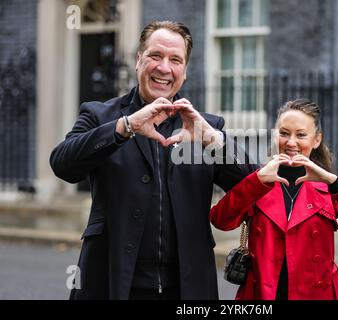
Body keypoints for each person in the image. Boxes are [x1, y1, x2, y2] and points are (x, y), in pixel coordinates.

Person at [50, 20, 257, 300]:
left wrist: (213, 139)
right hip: (112, 282)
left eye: (175, 60)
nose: (164, 68)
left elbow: (253, 185)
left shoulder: (204, 127)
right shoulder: (101, 116)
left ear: (185, 71)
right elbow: (63, 164)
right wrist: (125, 127)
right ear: (138, 60)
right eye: (155, 56)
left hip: (186, 287)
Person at [210, 98, 338, 300]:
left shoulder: (329, 187)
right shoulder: (258, 181)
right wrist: (255, 182)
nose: (291, 142)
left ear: (316, 140)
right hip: (264, 294)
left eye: (301, 135)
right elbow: (220, 220)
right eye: (284, 133)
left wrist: (331, 180)